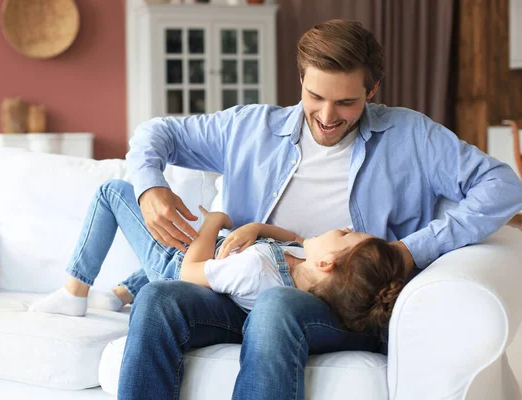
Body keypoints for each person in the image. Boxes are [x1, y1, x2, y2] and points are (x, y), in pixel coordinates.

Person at [113, 19, 522, 400]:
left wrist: (409, 251)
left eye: (346, 102)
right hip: (245, 290)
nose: (327, 117)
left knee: (276, 307)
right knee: (156, 298)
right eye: (315, 96)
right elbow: (156, 132)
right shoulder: (249, 129)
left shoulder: (411, 136)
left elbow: (504, 187)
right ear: (301, 80)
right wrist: (149, 186)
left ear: (373, 89)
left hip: (343, 307)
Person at [29, 179, 406, 336]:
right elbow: (295, 239)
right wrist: (255, 228)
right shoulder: (307, 275)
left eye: (343, 232)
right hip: (218, 260)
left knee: (112, 191)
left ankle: (73, 293)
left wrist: (217, 220)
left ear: (329, 262)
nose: (338, 226)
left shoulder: (256, 268)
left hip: (177, 268)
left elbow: (192, 270)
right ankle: (118, 294)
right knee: (198, 239)